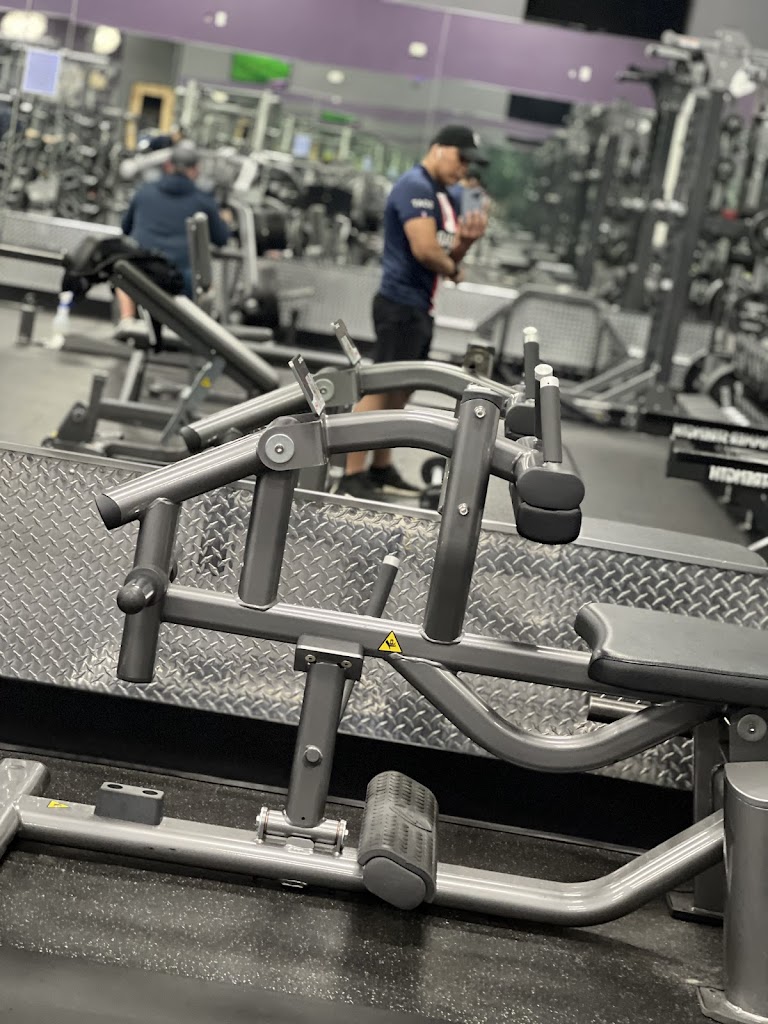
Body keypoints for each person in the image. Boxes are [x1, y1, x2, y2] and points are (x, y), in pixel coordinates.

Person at [337, 125, 489, 500]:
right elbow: (425, 250)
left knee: (400, 390)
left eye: (469, 162)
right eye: (461, 158)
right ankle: (351, 474)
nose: (464, 168)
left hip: (419, 305)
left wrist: (465, 245)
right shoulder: (415, 186)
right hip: (399, 303)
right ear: (438, 149)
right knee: (380, 387)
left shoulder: (440, 194)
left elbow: (447, 254)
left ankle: (380, 466)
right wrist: (454, 268)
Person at [116, 141, 232, 326]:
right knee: (207, 286)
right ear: (195, 170)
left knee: (125, 270)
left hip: (140, 274)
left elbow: (125, 228)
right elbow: (221, 239)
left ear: (168, 166)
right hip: (182, 280)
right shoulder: (204, 201)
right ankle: (198, 328)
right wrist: (226, 220)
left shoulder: (144, 192)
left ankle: (127, 319)